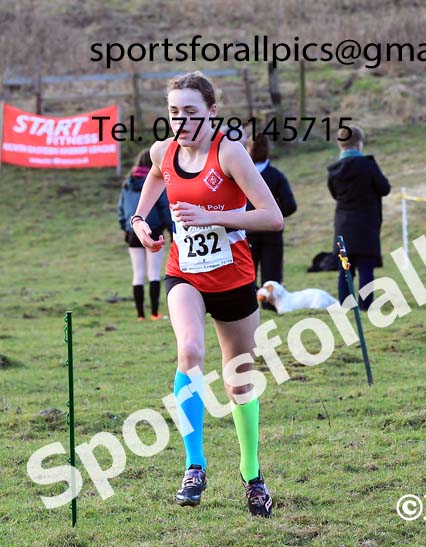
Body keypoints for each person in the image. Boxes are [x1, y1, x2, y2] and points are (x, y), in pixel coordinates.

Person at [130, 71, 284, 517]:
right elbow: (143, 208)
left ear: (212, 113)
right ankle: (194, 465)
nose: (182, 122)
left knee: (238, 378)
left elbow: (272, 218)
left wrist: (216, 217)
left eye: (191, 113)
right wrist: (143, 228)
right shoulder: (164, 151)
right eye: (175, 113)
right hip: (186, 273)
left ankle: (251, 474)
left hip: (233, 276)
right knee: (190, 351)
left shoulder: (230, 152)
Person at [327, 125, 390, 311]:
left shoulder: (334, 170)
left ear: (340, 144)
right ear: (359, 144)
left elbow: (334, 194)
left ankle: (346, 305)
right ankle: (366, 305)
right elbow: (384, 188)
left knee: (344, 269)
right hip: (366, 224)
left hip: (343, 224)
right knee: (365, 268)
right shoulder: (368, 165)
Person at [244, 133, 297, 309]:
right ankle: (269, 306)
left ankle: (248, 306)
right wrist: (271, 215)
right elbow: (290, 205)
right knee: (271, 274)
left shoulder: (240, 175)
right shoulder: (276, 176)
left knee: (246, 273)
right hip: (271, 232)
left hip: (247, 230)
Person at [118, 149, 172, 320]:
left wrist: (125, 228)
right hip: (153, 230)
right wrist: (171, 229)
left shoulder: (127, 184)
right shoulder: (157, 183)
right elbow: (164, 207)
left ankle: (140, 314)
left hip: (133, 232)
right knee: (154, 273)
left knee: (138, 274)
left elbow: (121, 209)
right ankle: (155, 313)